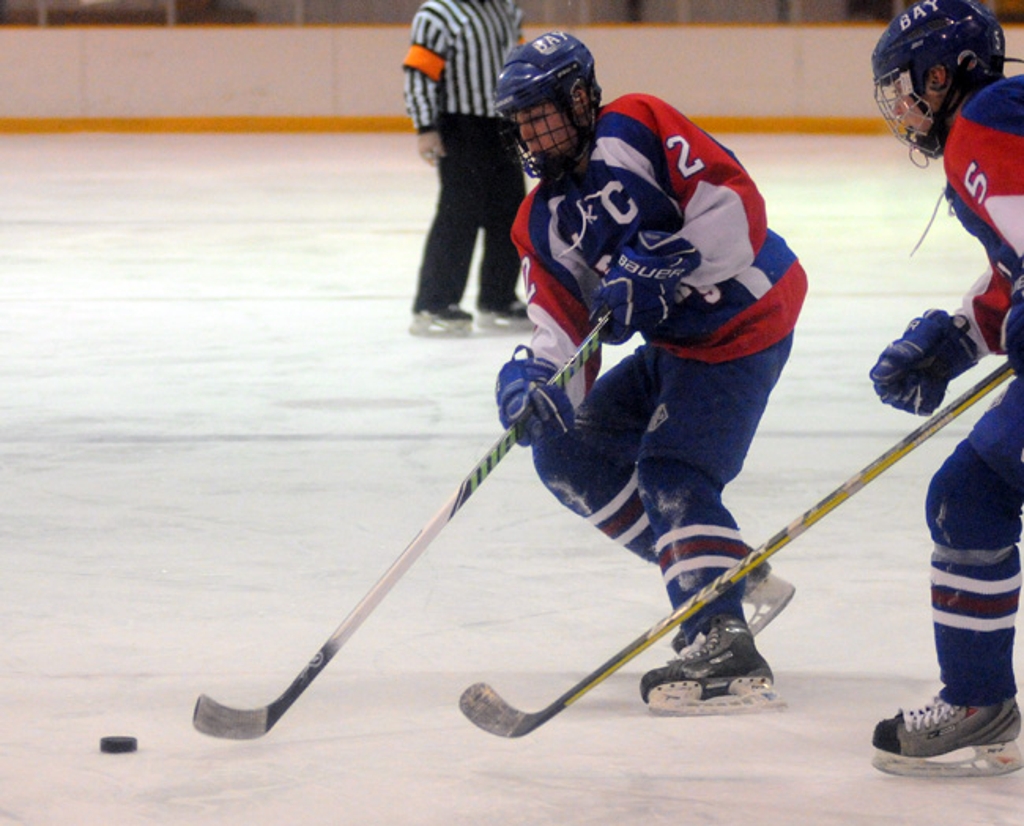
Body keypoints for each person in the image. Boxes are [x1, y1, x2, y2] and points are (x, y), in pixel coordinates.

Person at [490, 31, 807, 715]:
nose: (531, 135)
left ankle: (720, 636)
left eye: (540, 115)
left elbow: (736, 209)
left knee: (673, 472)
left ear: (579, 100)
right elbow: (561, 327)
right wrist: (538, 380)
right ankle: (720, 571)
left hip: (742, 320)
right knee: (565, 451)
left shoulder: (636, 123)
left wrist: (672, 263)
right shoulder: (539, 219)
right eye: (520, 123)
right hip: (675, 346)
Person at [868, 0, 1024, 777]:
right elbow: (1015, 271)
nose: (903, 108)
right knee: (969, 494)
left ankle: (977, 698)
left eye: (906, 88)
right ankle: (979, 699)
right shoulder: (997, 123)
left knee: (969, 494)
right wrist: (959, 338)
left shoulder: (986, 119)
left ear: (942, 72)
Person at [402, 0, 530, 336]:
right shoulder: (439, 13)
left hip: (502, 124)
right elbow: (420, 73)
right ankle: (434, 304)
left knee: (511, 211)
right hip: (460, 126)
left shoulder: (506, 9)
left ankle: (498, 298)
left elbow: (517, 65)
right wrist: (425, 127)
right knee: (459, 214)